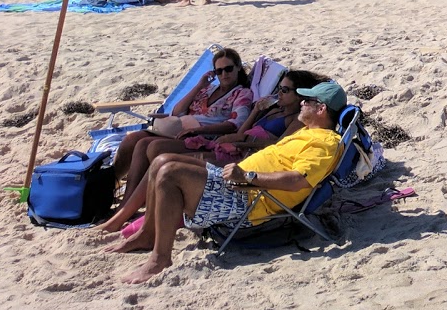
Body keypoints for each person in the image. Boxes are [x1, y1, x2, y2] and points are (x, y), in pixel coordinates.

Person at [110, 80, 349, 283]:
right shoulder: (307, 132)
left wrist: (247, 176)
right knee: (161, 160)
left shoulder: (325, 143)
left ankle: (160, 259)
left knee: (170, 172)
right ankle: (147, 233)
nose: (301, 102)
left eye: (307, 101)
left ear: (321, 109)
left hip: (252, 200)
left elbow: (298, 180)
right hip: (238, 183)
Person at [96, 69, 323, 236]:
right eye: (279, 88)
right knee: (154, 154)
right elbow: (241, 132)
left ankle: (126, 215)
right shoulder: (274, 110)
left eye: (285, 90)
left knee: (163, 160)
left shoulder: (295, 120)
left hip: (240, 159)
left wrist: (242, 145)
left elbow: (278, 148)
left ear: (300, 95)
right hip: (230, 148)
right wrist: (255, 111)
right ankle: (126, 210)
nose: (279, 94)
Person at [111, 47, 254, 200]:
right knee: (131, 139)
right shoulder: (208, 89)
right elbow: (177, 111)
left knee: (146, 145)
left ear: (238, 67)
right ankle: (110, 188)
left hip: (201, 136)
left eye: (228, 69)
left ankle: (131, 200)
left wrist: (199, 131)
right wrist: (199, 86)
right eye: (219, 71)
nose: (224, 74)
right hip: (177, 128)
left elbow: (235, 124)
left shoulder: (242, 94)